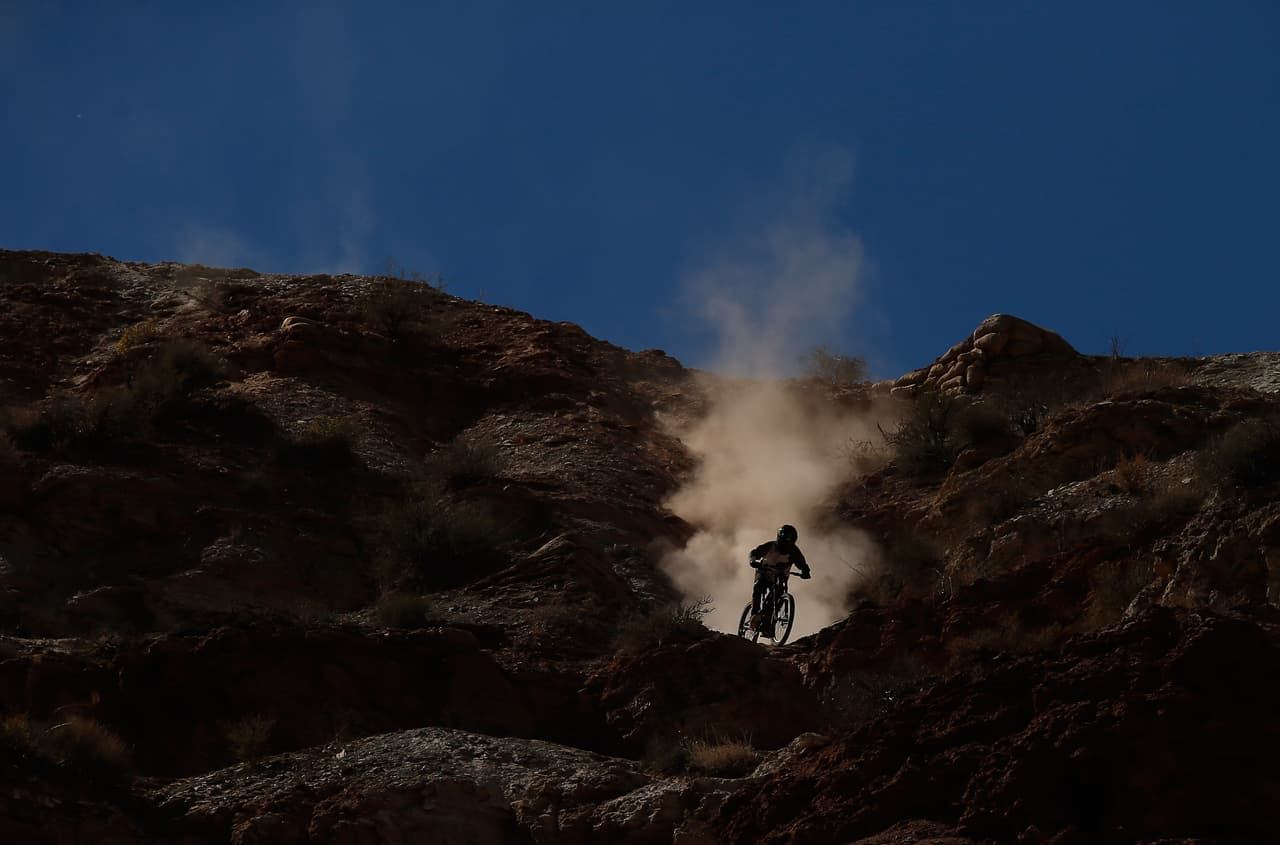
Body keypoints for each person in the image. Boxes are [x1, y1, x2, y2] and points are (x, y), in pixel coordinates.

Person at [748, 524, 811, 630]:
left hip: (780, 577)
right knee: (758, 587)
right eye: (785, 541)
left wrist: (805, 571)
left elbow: (801, 563)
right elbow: (755, 552)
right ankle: (754, 615)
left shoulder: (794, 551)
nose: (787, 545)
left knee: (777, 596)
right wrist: (753, 560)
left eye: (789, 542)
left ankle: (768, 623)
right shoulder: (770, 546)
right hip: (764, 572)